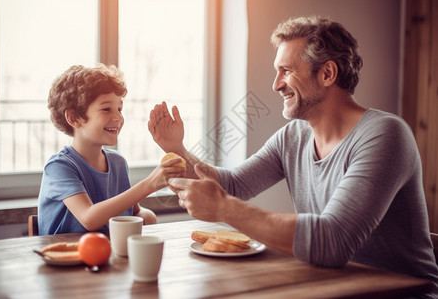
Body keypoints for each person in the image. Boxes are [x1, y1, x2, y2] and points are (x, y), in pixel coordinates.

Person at [148, 16, 438, 297]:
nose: (276, 84)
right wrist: (178, 150)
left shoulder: (385, 135)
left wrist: (224, 208)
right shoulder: (293, 136)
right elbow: (230, 185)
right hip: (333, 287)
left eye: (286, 71)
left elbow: (333, 241)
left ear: (327, 74)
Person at [38, 64, 185, 235]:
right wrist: (150, 184)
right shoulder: (59, 167)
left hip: (106, 256)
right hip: (65, 257)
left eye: (120, 109)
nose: (118, 117)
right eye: (106, 109)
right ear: (74, 118)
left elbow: (135, 211)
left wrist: (145, 216)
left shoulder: (118, 163)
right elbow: (89, 218)